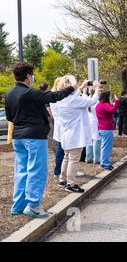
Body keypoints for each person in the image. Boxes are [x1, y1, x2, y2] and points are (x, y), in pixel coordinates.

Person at [5, 62, 76, 218]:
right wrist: (72, 87)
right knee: (37, 171)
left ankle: (18, 206)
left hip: (18, 137)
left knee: (21, 171)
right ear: (29, 76)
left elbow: (10, 117)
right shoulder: (30, 93)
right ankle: (33, 206)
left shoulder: (9, 94)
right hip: (34, 137)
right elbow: (54, 96)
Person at [57, 76, 101, 193]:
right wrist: (96, 88)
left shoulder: (62, 99)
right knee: (73, 160)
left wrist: (81, 87)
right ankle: (71, 184)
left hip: (67, 134)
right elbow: (92, 101)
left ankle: (62, 180)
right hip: (75, 136)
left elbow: (74, 95)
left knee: (66, 158)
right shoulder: (74, 100)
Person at [96, 91, 120, 171]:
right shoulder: (105, 105)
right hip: (106, 128)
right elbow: (112, 110)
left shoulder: (99, 104)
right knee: (106, 147)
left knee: (103, 146)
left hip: (101, 127)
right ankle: (105, 163)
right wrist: (117, 102)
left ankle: (103, 162)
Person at [49, 78, 66, 179]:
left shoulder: (56, 94)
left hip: (61, 124)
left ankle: (62, 170)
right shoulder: (55, 95)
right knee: (61, 149)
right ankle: (58, 171)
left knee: (64, 150)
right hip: (61, 124)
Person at [86, 90, 101, 165]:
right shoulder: (97, 101)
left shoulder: (87, 99)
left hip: (89, 122)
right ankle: (96, 159)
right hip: (96, 122)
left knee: (89, 140)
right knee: (96, 140)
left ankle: (88, 158)